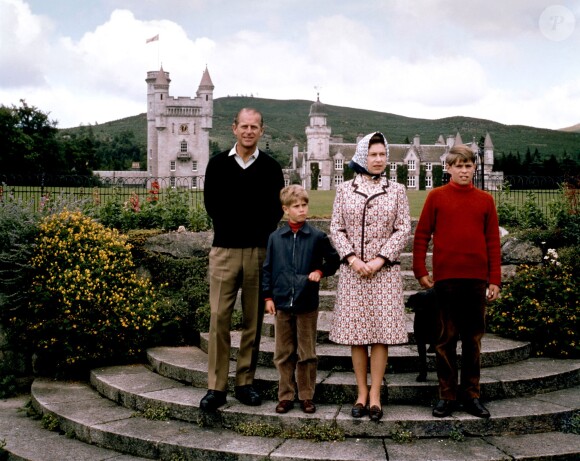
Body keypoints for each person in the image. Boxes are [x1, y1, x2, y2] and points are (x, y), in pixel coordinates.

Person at [200, 108, 285, 412]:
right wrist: (239, 223)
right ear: (234, 128)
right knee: (219, 318)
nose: (249, 131)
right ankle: (216, 387)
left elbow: (275, 211)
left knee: (253, 320)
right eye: (244, 126)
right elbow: (212, 204)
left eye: (254, 127)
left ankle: (245, 383)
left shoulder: (272, 168)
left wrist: (255, 229)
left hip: (258, 252)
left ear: (262, 131)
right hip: (224, 250)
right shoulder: (217, 165)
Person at [412, 144, 501, 419]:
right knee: (445, 339)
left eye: (468, 165)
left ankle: (471, 395)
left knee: (473, 340)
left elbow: (493, 242)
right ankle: (447, 395)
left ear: (475, 167)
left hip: (476, 279)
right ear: (448, 168)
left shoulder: (485, 200)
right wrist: (419, 269)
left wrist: (494, 279)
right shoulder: (436, 197)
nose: (464, 170)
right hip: (446, 279)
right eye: (458, 166)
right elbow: (422, 235)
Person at [329, 131, 411, 421]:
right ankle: (361, 393)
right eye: (373, 154)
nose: (378, 160)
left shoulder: (397, 190)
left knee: (380, 335)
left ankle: (375, 395)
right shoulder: (344, 190)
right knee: (357, 335)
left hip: (384, 273)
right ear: (363, 156)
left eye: (382, 155)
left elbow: (403, 228)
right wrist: (351, 258)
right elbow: (336, 228)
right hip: (353, 273)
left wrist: (379, 260)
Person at [262, 185, 340, 414]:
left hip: (307, 303)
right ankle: (285, 395)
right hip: (282, 304)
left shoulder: (317, 236)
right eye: (296, 206)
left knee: (307, 353)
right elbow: (267, 269)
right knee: (283, 353)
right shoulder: (276, 238)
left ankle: (306, 395)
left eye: (304, 205)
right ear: (286, 210)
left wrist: (320, 271)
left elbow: (334, 261)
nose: (302, 210)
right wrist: (268, 297)